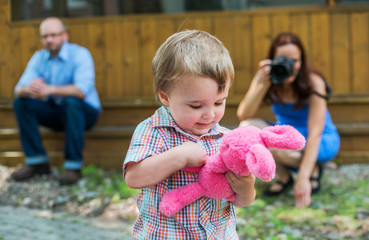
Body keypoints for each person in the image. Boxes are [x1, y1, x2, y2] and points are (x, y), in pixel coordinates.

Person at [123, 30, 256, 239]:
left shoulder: (227, 140)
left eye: (219, 102)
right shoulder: (154, 130)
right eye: (196, 105)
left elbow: (242, 201)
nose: (210, 114)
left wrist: (246, 187)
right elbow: (133, 177)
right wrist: (179, 156)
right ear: (165, 96)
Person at [237, 32, 340, 208]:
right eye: (283, 60)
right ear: (273, 60)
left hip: (321, 138)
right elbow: (243, 115)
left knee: (277, 145)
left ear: (302, 61)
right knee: (246, 128)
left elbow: (315, 132)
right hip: (288, 134)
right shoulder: (268, 77)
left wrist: (303, 178)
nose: (290, 65)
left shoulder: (314, 81)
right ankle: (284, 177)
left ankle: (312, 168)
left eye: (295, 61)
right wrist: (262, 83)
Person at [11, 17, 102, 185]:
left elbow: (81, 91)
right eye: (45, 36)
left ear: (64, 36)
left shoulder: (80, 54)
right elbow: (18, 89)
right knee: (20, 103)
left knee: (71, 102)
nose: (49, 40)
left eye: (53, 35)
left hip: (85, 112)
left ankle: (73, 166)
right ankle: (37, 162)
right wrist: (27, 89)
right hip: (58, 112)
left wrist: (50, 89)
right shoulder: (39, 57)